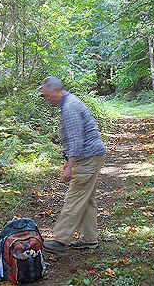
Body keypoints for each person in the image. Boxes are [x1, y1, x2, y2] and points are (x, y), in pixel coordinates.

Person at [38, 76, 106, 256]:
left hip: (88, 157)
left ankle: (60, 240)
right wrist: (68, 161)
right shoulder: (69, 104)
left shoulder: (69, 107)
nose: (47, 99)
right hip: (93, 155)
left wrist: (69, 166)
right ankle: (90, 240)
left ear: (57, 90)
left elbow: (76, 140)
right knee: (87, 199)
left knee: (74, 198)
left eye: (47, 95)